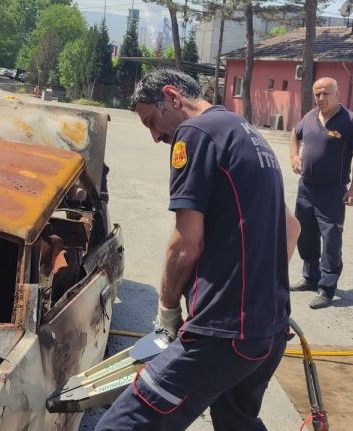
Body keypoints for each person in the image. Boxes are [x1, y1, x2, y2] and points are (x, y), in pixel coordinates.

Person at [95, 69, 298, 431]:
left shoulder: (195, 133)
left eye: (152, 122)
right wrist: (258, 299)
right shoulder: (247, 133)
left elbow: (186, 244)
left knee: (121, 425)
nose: (156, 137)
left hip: (221, 335)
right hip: (268, 332)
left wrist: (167, 312)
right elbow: (291, 228)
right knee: (237, 423)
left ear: (172, 97)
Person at [289, 77, 353, 309]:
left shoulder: (351, 121)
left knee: (331, 239)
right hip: (306, 187)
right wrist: (294, 156)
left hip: (332, 191)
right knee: (305, 234)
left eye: (325, 94)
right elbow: (294, 134)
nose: (321, 98)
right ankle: (310, 277)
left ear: (337, 95)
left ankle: (327, 288)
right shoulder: (309, 117)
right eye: (317, 94)